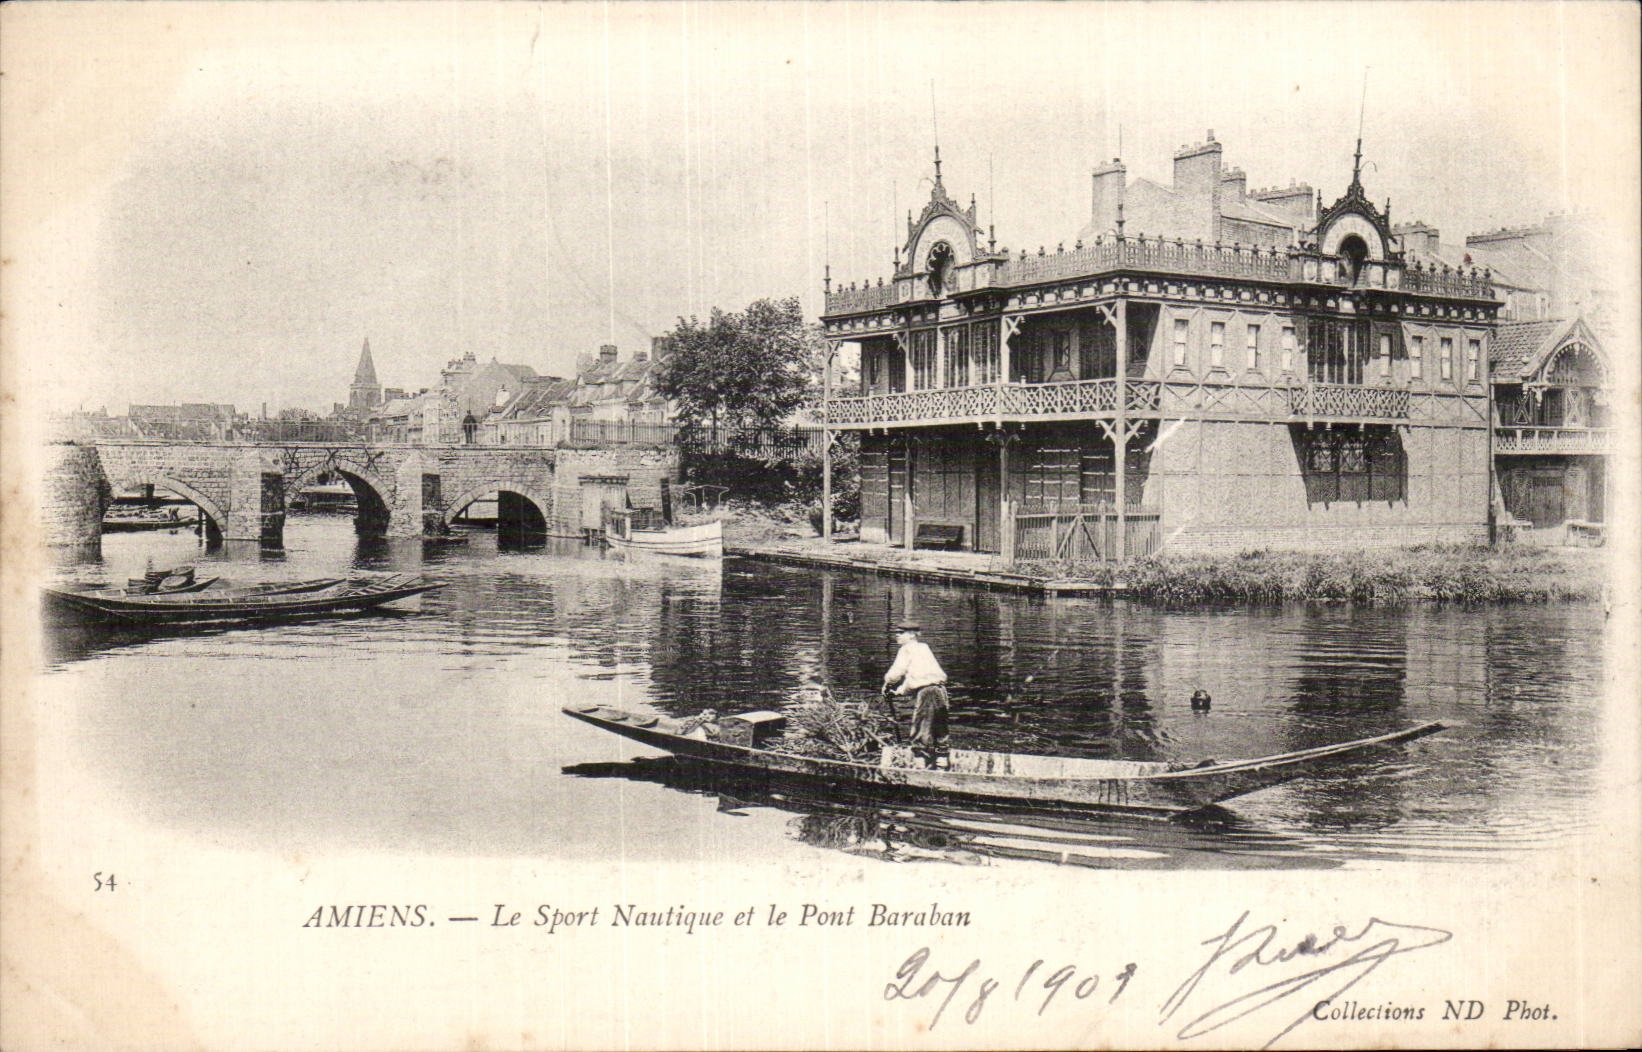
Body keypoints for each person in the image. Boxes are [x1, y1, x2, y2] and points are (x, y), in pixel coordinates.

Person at [882, 620, 949, 769]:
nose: (897, 636)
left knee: (921, 726)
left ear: (912, 635)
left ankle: (920, 762)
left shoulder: (906, 649)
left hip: (926, 692)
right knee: (940, 725)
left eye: (901, 633)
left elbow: (896, 673)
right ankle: (942, 759)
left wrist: (887, 684)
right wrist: (898, 691)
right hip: (941, 690)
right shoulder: (924, 649)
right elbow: (915, 677)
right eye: (896, 633)